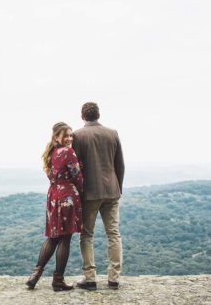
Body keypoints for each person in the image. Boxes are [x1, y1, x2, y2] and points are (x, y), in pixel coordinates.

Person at [71, 102, 125, 290]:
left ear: (82, 116)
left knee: (86, 235)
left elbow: (75, 167)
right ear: (99, 115)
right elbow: (120, 165)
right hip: (112, 190)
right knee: (113, 234)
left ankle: (90, 278)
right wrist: (118, 188)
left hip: (90, 193)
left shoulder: (77, 135)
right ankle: (114, 278)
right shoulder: (113, 133)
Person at [26, 122, 83, 291]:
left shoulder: (50, 152)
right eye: (66, 135)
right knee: (65, 237)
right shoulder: (68, 152)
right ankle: (58, 280)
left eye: (71, 135)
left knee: (53, 236)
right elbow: (77, 177)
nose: (69, 138)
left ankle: (36, 274)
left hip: (53, 195)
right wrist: (82, 193)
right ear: (56, 136)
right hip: (67, 196)